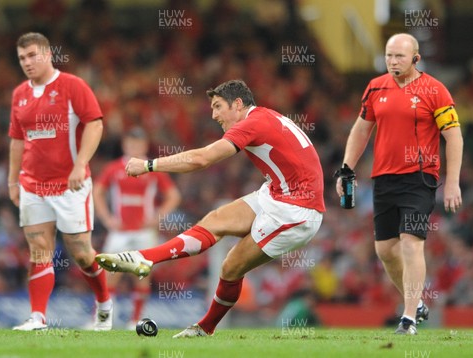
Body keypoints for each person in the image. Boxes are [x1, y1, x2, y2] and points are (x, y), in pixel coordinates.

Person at [96, 79, 325, 337]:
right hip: (277, 194)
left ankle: (204, 329)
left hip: (296, 210)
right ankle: (146, 257)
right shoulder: (264, 117)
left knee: (231, 266)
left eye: (218, 107)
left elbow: (201, 159)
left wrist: (149, 165)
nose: (214, 115)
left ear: (238, 104)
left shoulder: (253, 123)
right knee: (215, 220)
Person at [335, 33, 463, 335]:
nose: (393, 62)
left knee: (410, 242)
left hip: (420, 177)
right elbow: (361, 129)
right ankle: (416, 302)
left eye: (400, 57)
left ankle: (407, 319)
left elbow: (453, 136)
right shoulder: (375, 87)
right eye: (389, 56)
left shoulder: (435, 90)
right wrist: (346, 168)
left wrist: (453, 182)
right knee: (385, 250)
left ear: (416, 58)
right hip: (383, 178)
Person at [8, 32, 112, 331]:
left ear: (47, 54)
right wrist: (13, 181)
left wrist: (81, 164)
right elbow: (17, 140)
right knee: (39, 249)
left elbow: (95, 123)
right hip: (32, 185)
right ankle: (37, 317)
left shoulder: (72, 85)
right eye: (21, 58)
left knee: (81, 254)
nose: (27, 62)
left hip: (70, 185)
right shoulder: (19, 94)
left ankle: (104, 303)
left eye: (32, 55)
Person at [93, 127, 181, 329]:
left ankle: (135, 321)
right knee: (110, 275)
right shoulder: (114, 168)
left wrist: (157, 217)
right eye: (131, 142)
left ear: (144, 145)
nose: (134, 146)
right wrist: (107, 219)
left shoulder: (151, 169)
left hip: (144, 231)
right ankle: (102, 321)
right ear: (125, 144)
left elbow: (174, 196)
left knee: (141, 275)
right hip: (120, 231)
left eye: (138, 143)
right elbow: (97, 191)